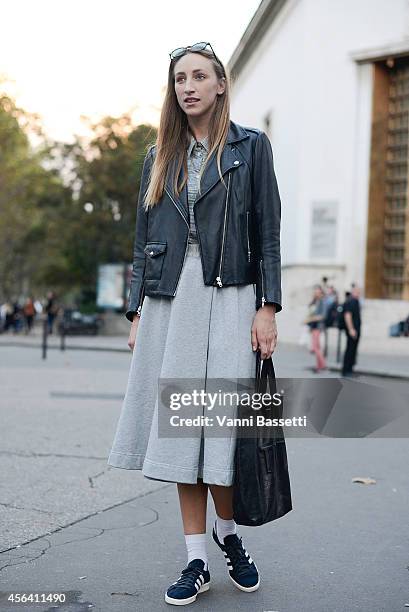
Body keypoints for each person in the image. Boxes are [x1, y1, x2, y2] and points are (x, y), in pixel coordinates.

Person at [107, 41, 282, 606]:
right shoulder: (158, 155)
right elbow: (143, 242)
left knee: (224, 428)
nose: (188, 86)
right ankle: (196, 560)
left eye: (199, 76)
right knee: (183, 427)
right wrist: (138, 309)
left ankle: (228, 535)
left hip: (232, 295)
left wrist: (268, 306)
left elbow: (269, 234)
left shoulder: (251, 149)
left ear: (220, 84)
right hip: (170, 299)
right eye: (180, 78)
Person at [304, 285, 327, 373]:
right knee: (316, 347)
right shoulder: (314, 301)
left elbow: (323, 316)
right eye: (315, 291)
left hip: (318, 326)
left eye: (318, 292)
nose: (316, 293)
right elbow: (310, 312)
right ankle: (319, 366)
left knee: (316, 347)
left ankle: (323, 365)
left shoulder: (322, 302)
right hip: (313, 326)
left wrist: (311, 319)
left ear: (321, 293)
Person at [342, 285, 361, 376]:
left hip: (356, 330)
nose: (359, 293)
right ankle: (346, 370)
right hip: (352, 330)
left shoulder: (355, 301)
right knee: (350, 350)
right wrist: (351, 329)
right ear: (353, 291)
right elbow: (347, 315)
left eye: (359, 291)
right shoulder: (351, 301)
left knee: (353, 350)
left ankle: (350, 369)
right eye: (357, 291)